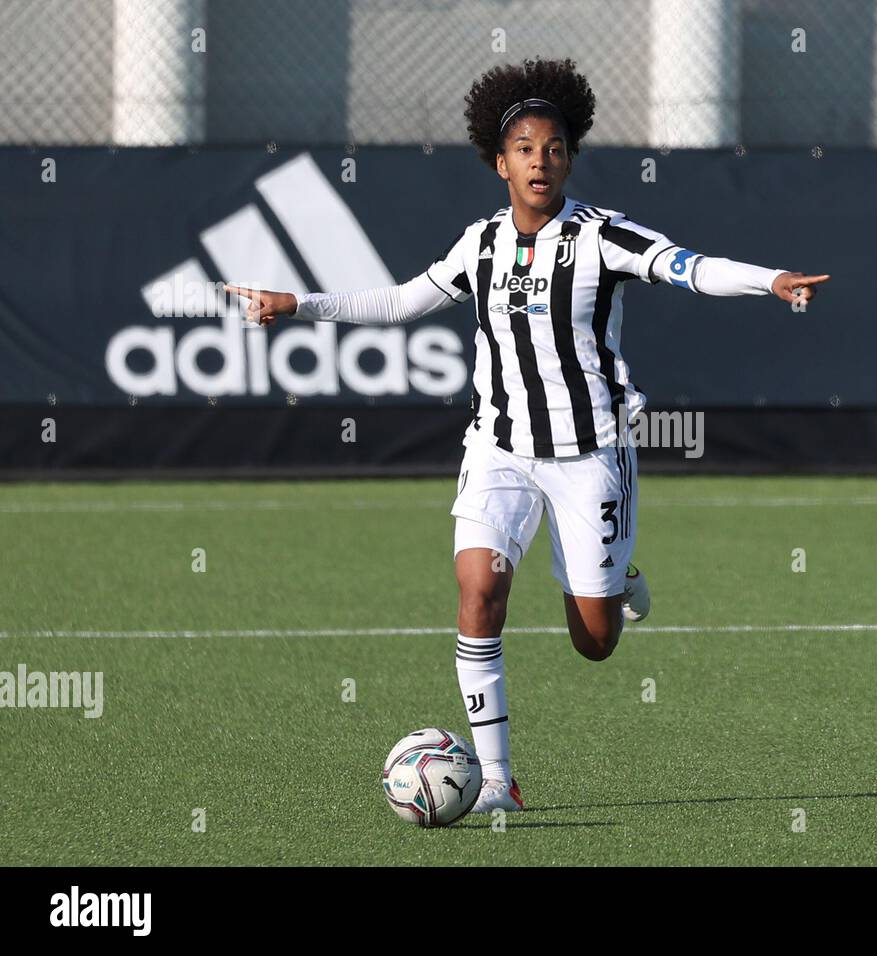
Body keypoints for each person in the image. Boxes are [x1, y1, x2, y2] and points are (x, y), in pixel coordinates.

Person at [226, 57, 829, 813]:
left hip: (591, 454)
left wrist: (770, 279)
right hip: (500, 449)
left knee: (595, 642)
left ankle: (620, 575)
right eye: (524, 149)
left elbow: (687, 267)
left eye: (554, 148)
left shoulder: (602, 237)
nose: (540, 161)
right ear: (500, 163)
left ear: (570, 160)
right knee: (479, 592)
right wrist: (298, 303)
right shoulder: (477, 245)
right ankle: (497, 781)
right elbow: (401, 303)